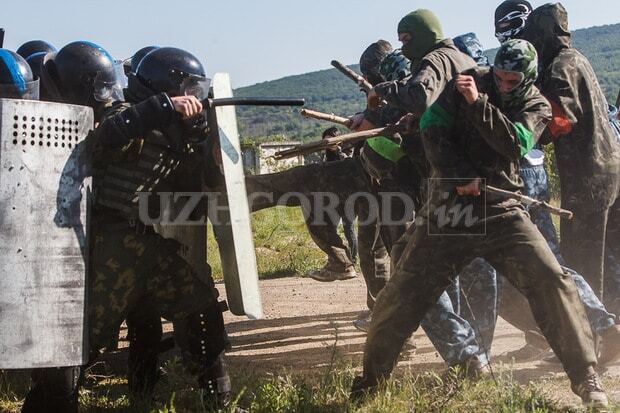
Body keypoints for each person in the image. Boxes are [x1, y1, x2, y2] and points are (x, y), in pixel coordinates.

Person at [352, 38, 609, 409]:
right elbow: (432, 131)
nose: (503, 85)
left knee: (552, 280)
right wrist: (459, 176)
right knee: (402, 293)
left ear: (527, 79)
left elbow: (513, 144)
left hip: (502, 211)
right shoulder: (465, 81)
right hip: (449, 212)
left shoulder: (535, 103)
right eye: (499, 78)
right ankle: (369, 383)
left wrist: (479, 105)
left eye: (512, 81)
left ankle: (586, 378)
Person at [27, 42, 234, 410]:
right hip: (108, 244)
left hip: (143, 245)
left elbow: (196, 185)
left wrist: (199, 132)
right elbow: (105, 138)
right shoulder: (127, 114)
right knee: (78, 341)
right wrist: (163, 108)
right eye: (187, 91)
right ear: (164, 88)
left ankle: (216, 399)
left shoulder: (176, 132)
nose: (193, 97)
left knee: (200, 307)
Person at [522, 3, 620, 311]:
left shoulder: (559, 66)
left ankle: (597, 333)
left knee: (583, 257)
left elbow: (562, 118)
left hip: (587, 174)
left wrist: (526, 134)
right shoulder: (579, 59)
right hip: (611, 166)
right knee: (609, 252)